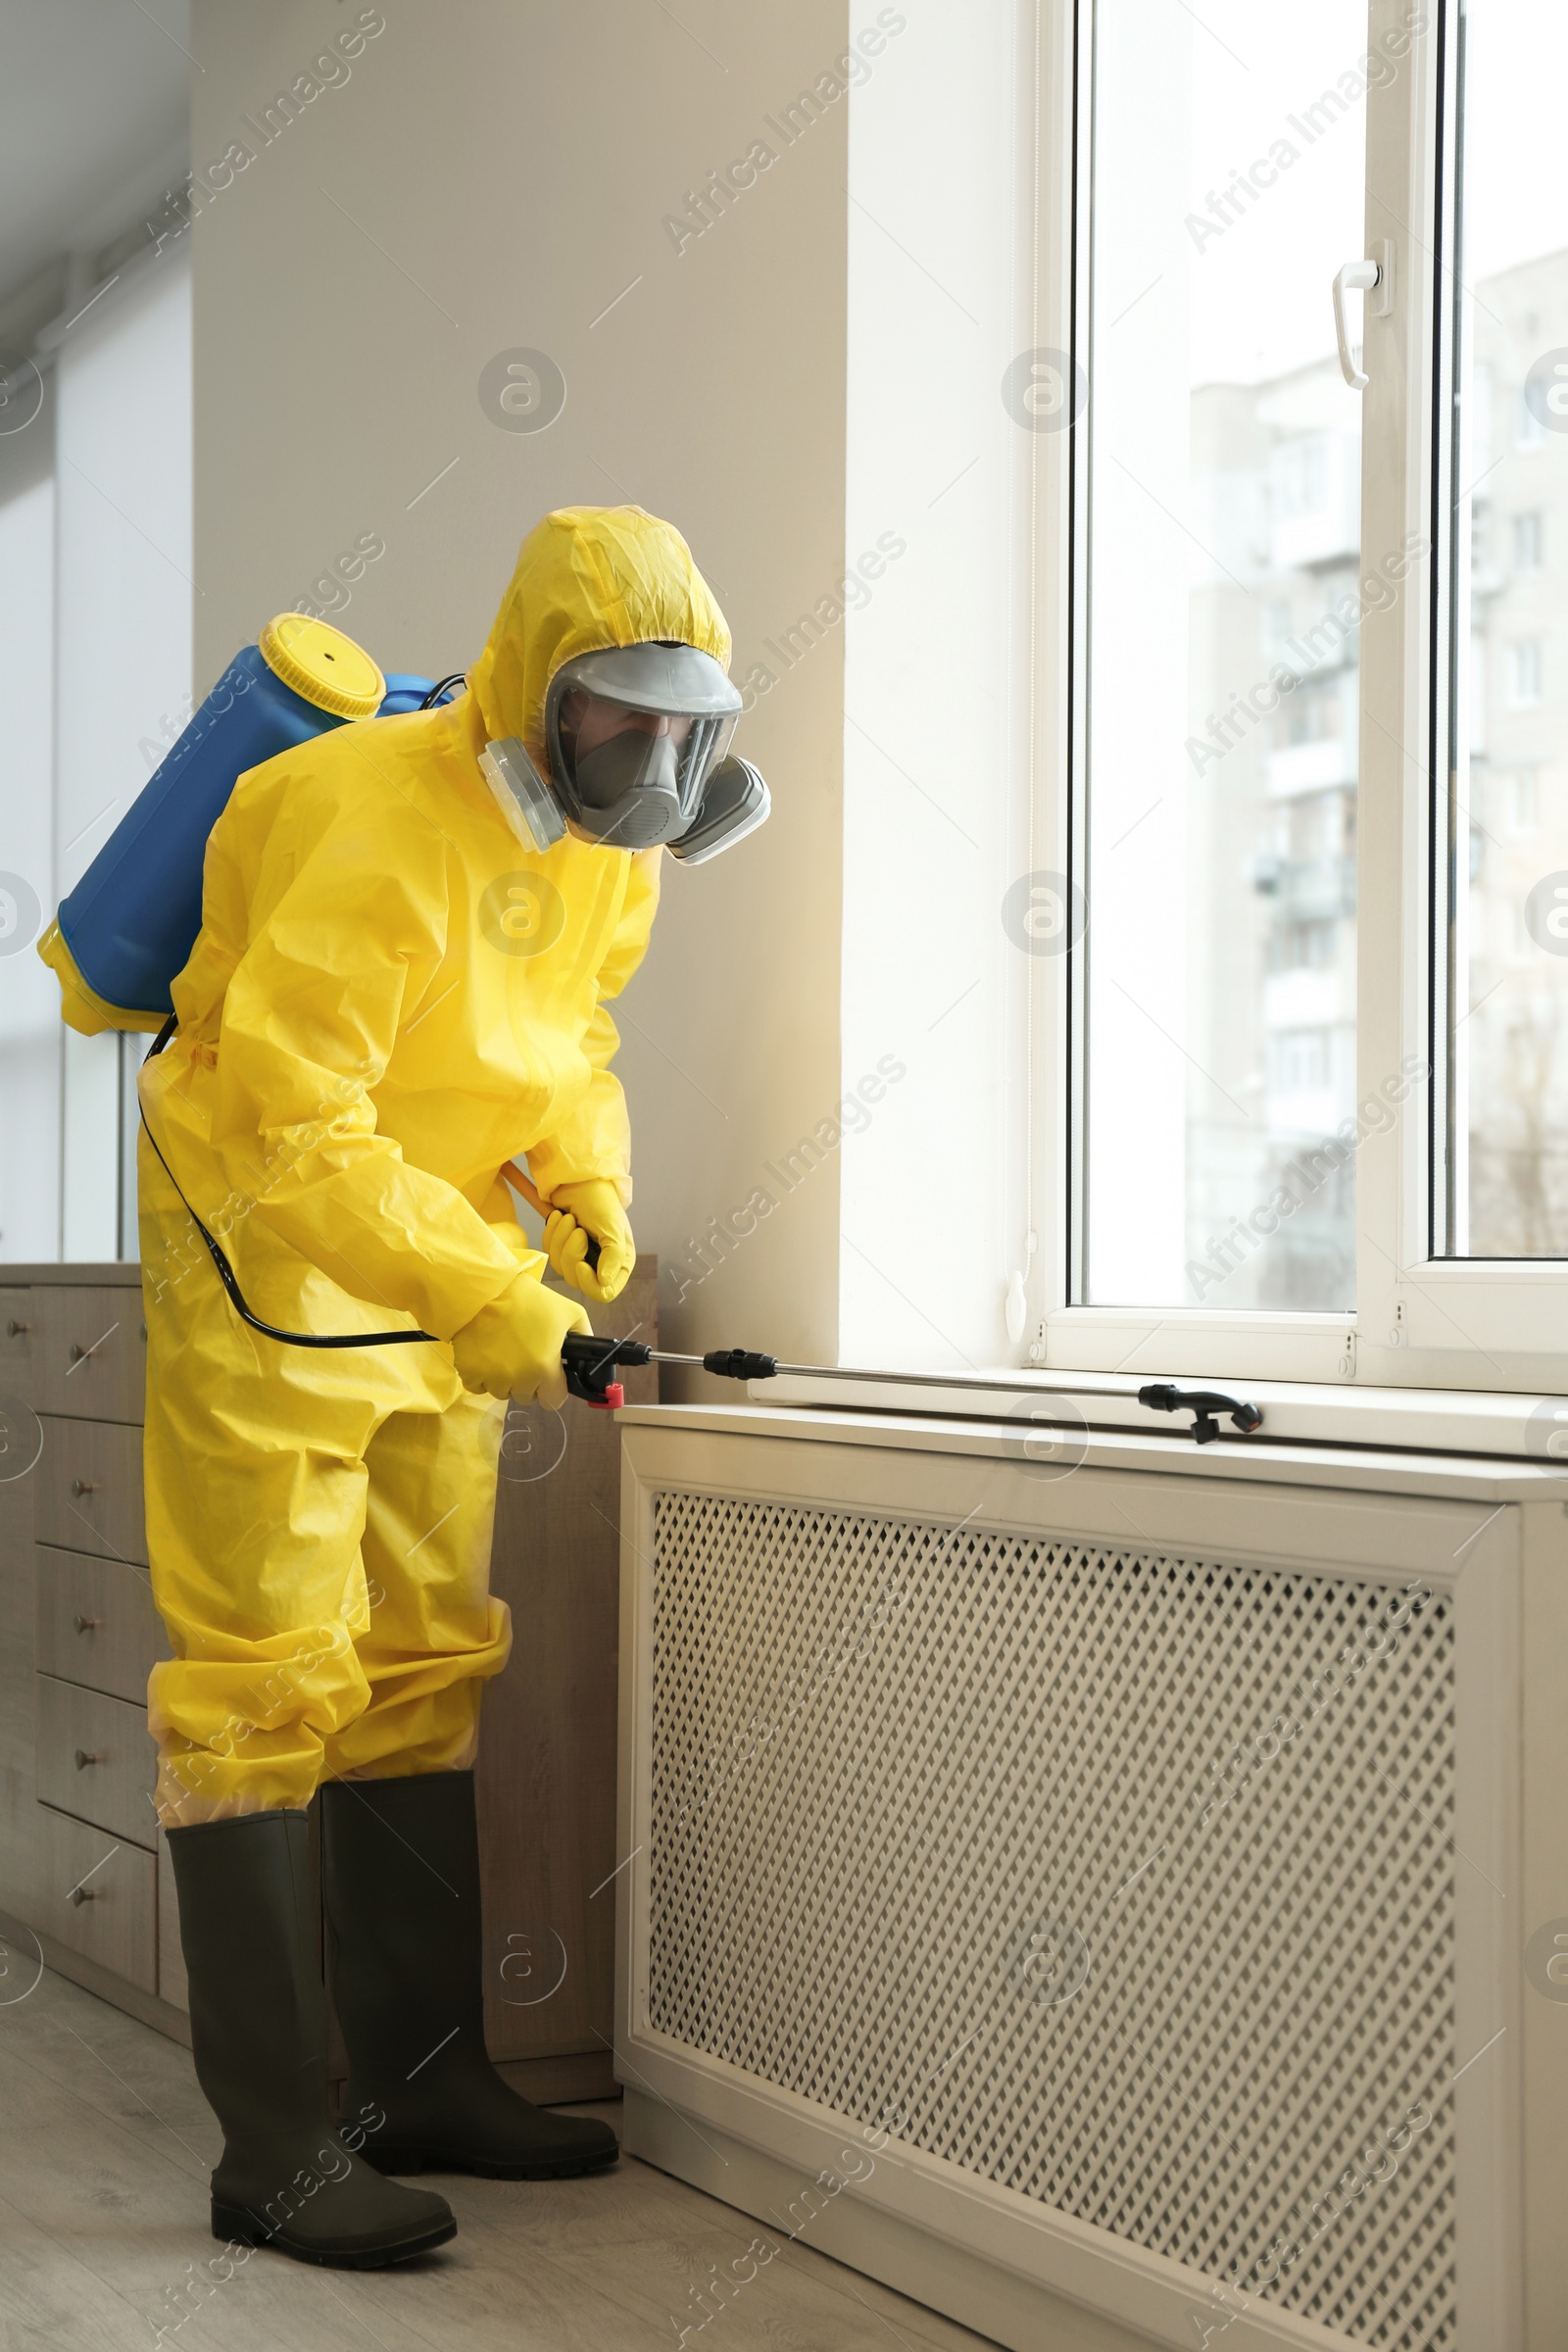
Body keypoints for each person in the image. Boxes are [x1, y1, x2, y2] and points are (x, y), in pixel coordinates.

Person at [140, 505, 744, 2266]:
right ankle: (277, 2148)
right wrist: (502, 1296)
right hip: (264, 1254)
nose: (648, 757)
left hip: (434, 1267)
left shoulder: (608, 845)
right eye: (616, 718)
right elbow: (293, 1121)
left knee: (418, 1665)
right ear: (537, 692)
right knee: (262, 1686)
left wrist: (586, 1185)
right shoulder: (358, 818)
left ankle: (425, 2076)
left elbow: (571, 1040)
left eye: (676, 725)